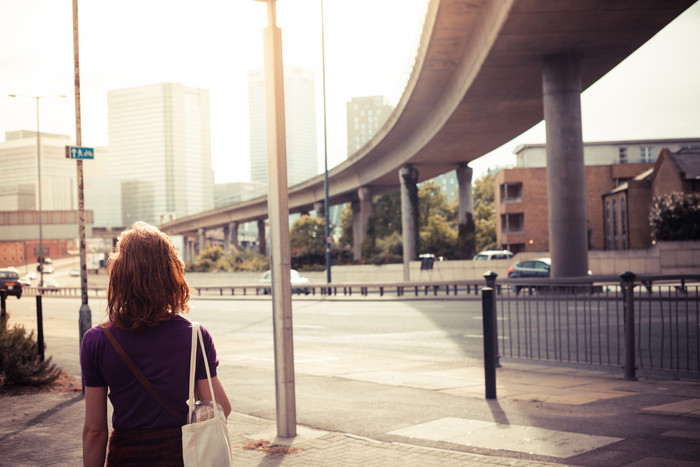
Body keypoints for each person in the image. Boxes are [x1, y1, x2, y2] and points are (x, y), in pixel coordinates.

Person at [80, 222, 231, 466]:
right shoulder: (195, 336)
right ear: (171, 274)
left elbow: (95, 431)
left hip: (125, 458)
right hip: (180, 457)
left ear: (119, 275)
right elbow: (221, 406)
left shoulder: (96, 341)